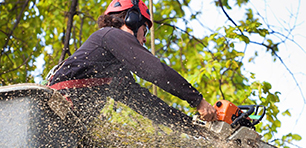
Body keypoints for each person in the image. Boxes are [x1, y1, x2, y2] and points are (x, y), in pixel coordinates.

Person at [46, 0, 217, 129]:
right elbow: (156, 71)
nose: (144, 39)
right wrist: (198, 100)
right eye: (144, 30)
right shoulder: (109, 35)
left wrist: (193, 128)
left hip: (63, 124)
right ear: (132, 19)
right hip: (51, 110)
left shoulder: (115, 73)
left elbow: (148, 105)